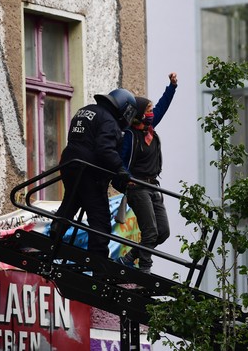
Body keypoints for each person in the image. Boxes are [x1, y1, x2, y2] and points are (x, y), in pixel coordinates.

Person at [50, 88, 137, 259]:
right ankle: (98, 260)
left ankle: (56, 232)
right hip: (89, 171)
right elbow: (105, 149)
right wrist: (120, 169)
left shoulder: (87, 110)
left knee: (71, 200)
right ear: (124, 107)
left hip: (70, 164)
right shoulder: (109, 120)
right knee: (100, 217)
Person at [116, 73, 178, 273]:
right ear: (141, 113)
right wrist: (127, 180)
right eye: (149, 110)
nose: (152, 113)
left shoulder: (150, 129)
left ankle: (130, 258)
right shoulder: (130, 136)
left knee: (163, 232)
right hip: (137, 186)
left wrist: (172, 87)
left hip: (153, 186)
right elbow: (119, 161)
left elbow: (163, 106)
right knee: (150, 232)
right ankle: (144, 269)